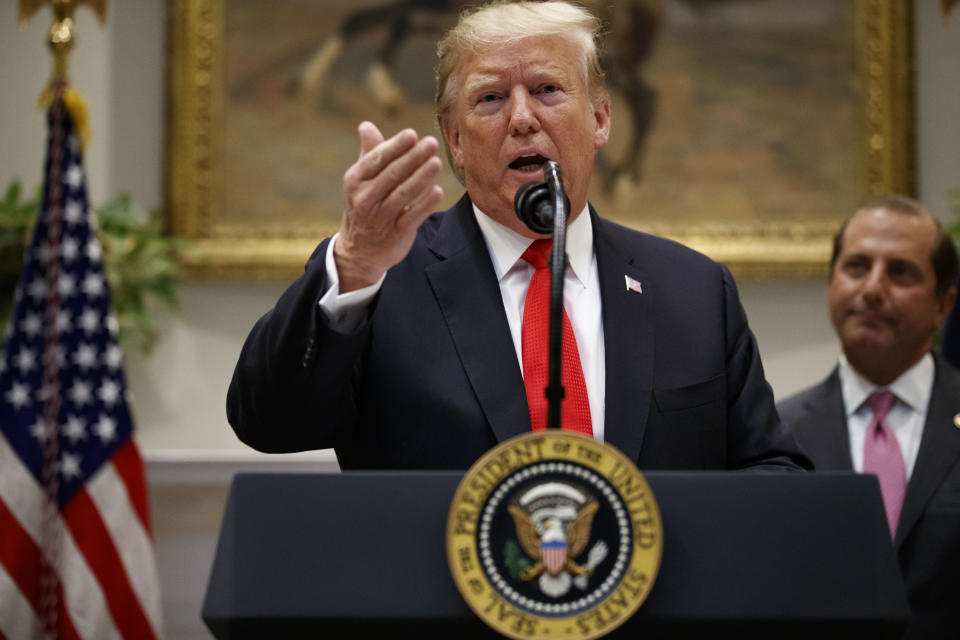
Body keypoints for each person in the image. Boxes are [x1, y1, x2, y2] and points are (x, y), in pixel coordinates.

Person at [227, 0, 810, 472]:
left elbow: (768, 469)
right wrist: (353, 261)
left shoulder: (693, 289)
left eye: (548, 90)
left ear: (601, 120)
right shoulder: (380, 280)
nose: (523, 118)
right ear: (454, 140)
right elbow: (269, 424)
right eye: (490, 98)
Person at [777, 195, 960, 638]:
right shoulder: (776, 433)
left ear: (943, 305)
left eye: (900, 272)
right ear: (831, 284)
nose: (873, 288)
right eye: (857, 267)